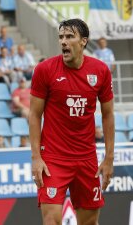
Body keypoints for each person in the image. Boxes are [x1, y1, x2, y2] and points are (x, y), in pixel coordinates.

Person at [29, 18, 114, 225]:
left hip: (86, 159)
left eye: (69, 37)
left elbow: (108, 114)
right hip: (53, 159)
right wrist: (36, 157)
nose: (63, 42)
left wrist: (109, 157)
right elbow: (34, 115)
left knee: (89, 223)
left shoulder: (100, 71)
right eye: (61, 37)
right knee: (52, 220)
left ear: (83, 41)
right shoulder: (45, 70)